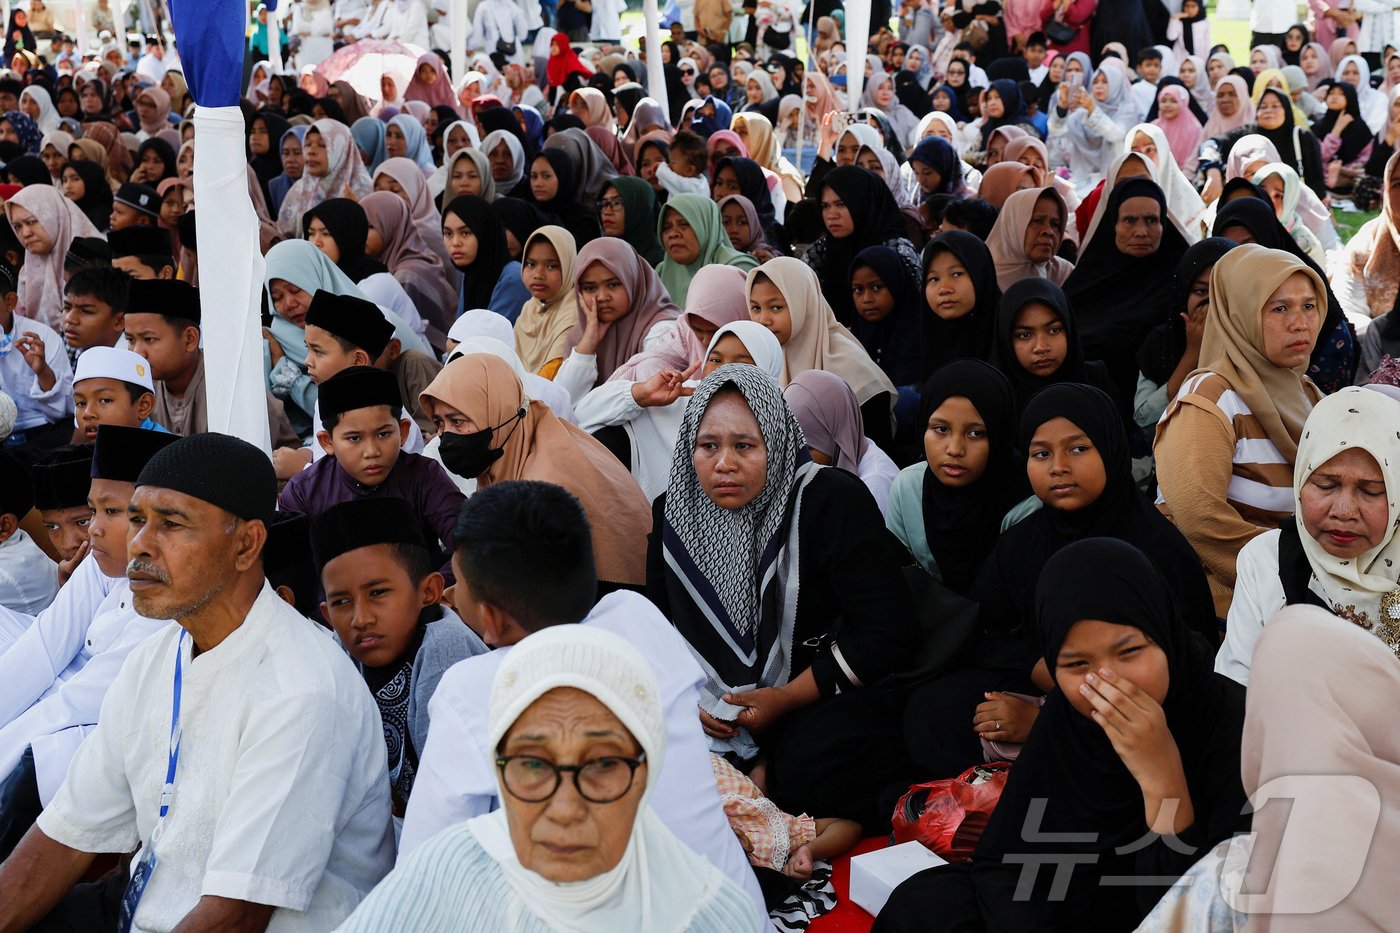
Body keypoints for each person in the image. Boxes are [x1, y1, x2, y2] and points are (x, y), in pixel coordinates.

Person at [0, 433, 395, 929]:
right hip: (148, 905)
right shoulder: (154, 659)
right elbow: (66, 834)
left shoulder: (302, 691)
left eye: (172, 524)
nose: (140, 544)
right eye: (137, 519)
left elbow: (235, 916)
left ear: (246, 544)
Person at [877, 538, 1248, 933]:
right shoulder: (1069, 717)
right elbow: (1007, 862)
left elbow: (1200, 912)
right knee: (924, 906)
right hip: (1068, 907)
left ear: (1165, 635)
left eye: (1129, 652)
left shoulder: (1239, 728)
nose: (1107, 680)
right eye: (1076, 664)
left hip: (1166, 910)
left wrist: (1162, 779)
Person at [343, 622, 763, 932]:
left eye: (600, 766)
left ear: (645, 774)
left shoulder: (714, 914)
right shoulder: (449, 867)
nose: (564, 808)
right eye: (533, 765)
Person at [647, 364, 916, 830]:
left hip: (815, 693)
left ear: (776, 441)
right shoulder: (675, 512)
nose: (724, 463)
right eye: (708, 446)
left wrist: (785, 698)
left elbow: (888, 632)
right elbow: (657, 629)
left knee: (809, 770)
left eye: (744, 446)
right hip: (712, 710)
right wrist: (693, 699)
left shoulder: (829, 501)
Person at [0, 426, 176, 859]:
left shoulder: (170, 592)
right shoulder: (101, 562)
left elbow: (83, 701)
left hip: (97, 725)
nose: (92, 530)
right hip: (58, 696)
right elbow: (44, 645)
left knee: (33, 769)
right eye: (92, 510)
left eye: (111, 511)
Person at [1155, 244, 1326, 615]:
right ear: (1240, 313)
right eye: (1280, 308)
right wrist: (1300, 570)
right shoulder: (1209, 400)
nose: (1300, 323)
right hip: (1230, 603)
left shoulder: (1309, 395)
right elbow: (1199, 518)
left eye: (1309, 306)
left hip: (1306, 593)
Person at [311, 496, 488, 812]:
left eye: (378, 593)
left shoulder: (442, 648)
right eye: (341, 602)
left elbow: (450, 798)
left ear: (429, 591)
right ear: (326, 614)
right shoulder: (339, 651)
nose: (360, 618)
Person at [420, 352, 653, 590]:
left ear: (496, 411)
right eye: (439, 423)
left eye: (458, 421)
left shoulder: (544, 487)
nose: (445, 436)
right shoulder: (526, 439)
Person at [1216, 385, 1400, 683]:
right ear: (1301, 479)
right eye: (1326, 485)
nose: (1344, 511)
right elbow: (1237, 684)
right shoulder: (1266, 559)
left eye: (1370, 491)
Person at [280, 365, 464, 574]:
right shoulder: (302, 493)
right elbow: (295, 576)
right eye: (354, 438)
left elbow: (471, 546)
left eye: (383, 434)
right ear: (327, 442)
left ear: (403, 432)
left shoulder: (423, 476)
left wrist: (430, 588)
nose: (372, 451)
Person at [885, 359, 1029, 588]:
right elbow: (897, 575)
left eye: (976, 433)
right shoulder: (909, 487)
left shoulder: (1024, 505)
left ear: (999, 437)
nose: (954, 449)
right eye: (941, 429)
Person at [1063, 177, 1190, 418]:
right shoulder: (1084, 286)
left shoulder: (1184, 284)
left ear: (1164, 224)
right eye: (1129, 220)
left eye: (1151, 220)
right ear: (1113, 223)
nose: (1141, 232)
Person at [747, 257, 899, 451]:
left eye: (776, 307)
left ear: (804, 302)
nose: (763, 319)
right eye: (756, 308)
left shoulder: (850, 364)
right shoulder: (767, 360)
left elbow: (874, 447)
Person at [555, 237, 681, 400]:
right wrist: (588, 344)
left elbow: (652, 398)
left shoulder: (662, 332)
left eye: (613, 284)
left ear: (633, 280)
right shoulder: (579, 335)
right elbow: (562, 401)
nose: (602, 297)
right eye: (590, 288)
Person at [803, 165, 920, 328]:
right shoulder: (822, 250)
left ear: (864, 203)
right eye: (825, 206)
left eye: (841, 204)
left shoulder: (896, 251)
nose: (831, 215)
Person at [784, 369, 901, 515]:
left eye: (807, 448)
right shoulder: (854, 446)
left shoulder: (874, 486)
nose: (793, 458)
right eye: (788, 444)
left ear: (836, 437)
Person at [4, 184, 103, 331]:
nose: (25, 233)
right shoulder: (27, 273)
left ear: (55, 216)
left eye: (31, 222)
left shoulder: (98, 259)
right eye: (17, 226)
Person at [918, 231, 1005, 382]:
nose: (944, 289)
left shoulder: (1008, 335)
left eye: (956, 274)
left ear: (980, 275)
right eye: (934, 279)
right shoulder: (917, 343)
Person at [656, 193, 761, 307]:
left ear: (707, 224)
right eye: (666, 227)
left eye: (684, 224)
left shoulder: (737, 268)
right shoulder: (662, 272)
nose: (673, 234)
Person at [276, 118, 374, 239]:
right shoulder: (299, 189)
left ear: (341, 148)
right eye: (307, 144)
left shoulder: (363, 191)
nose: (311, 151)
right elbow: (283, 236)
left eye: (322, 145)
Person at [514, 225, 580, 378]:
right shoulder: (530, 307)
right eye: (531, 264)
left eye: (551, 266)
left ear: (569, 266)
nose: (538, 274)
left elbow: (551, 375)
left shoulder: (574, 311)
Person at [985, 186, 1076, 292]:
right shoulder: (983, 276)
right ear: (1012, 226)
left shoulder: (1064, 274)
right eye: (1037, 221)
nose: (1049, 231)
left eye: (1055, 224)